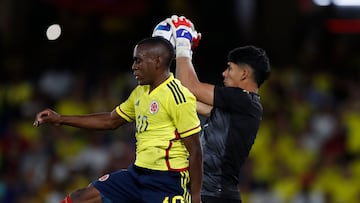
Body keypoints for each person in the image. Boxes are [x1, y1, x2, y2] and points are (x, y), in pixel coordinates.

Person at [33, 36, 203, 203]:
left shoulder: (178, 96)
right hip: (137, 175)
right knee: (80, 197)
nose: (134, 67)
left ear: (157, 61)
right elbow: (110, 120)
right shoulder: (139, 93)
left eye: (138, 61)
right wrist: (60, 119)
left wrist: (196, 197)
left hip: (167, 181)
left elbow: (195, 150)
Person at [161, 16, 271, 203]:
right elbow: (187, 99)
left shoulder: (244, 100)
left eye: (229, 68)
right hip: (212, 194)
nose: (223, 73)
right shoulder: (240, 107)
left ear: (244, 73)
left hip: (215, 196)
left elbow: (188, 87)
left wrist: (182, 44)